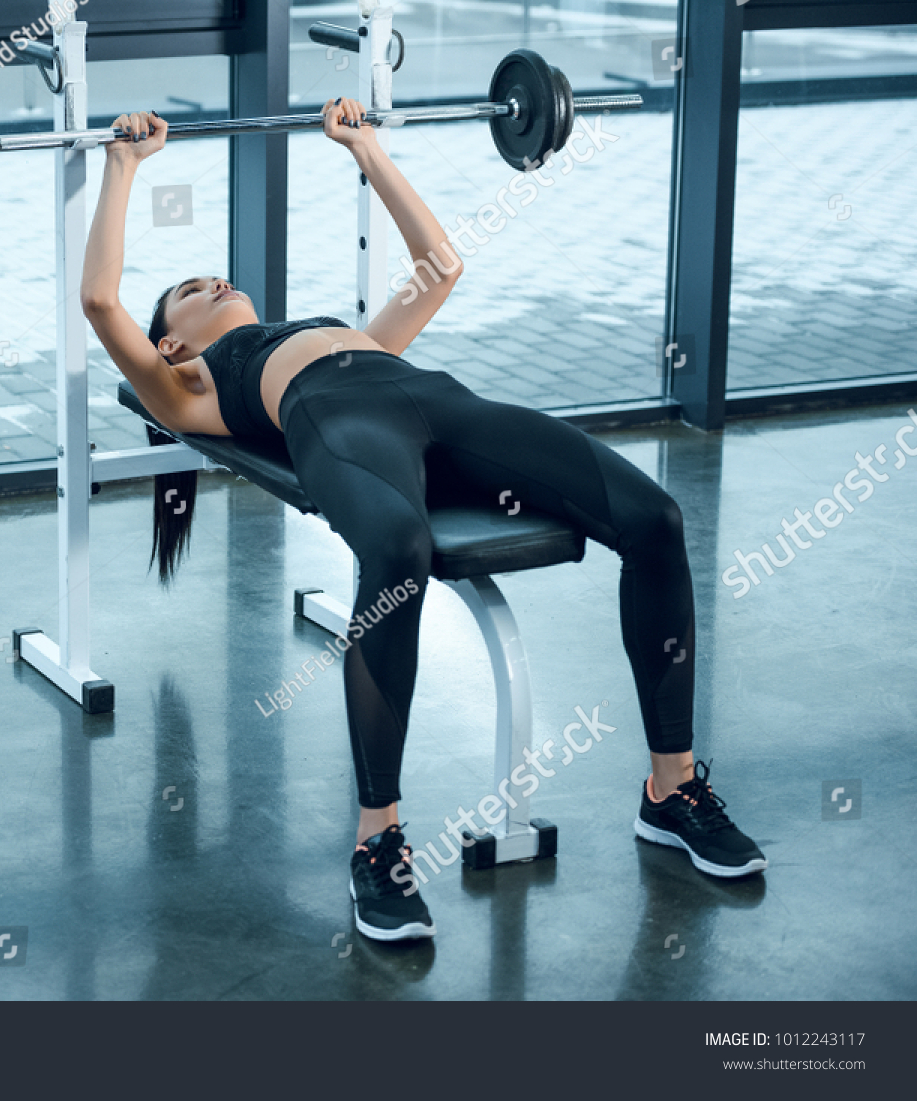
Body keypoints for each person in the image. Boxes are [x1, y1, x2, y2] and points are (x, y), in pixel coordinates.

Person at [80, 97, 766, 944]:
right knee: (397, 550)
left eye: (210, 274)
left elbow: (439, 267)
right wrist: (122, 167)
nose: (212, 280)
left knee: (655, 516)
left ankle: (672, 790)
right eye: (189, 290)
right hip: (341, 427)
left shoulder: (330, 327)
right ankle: (379, 841)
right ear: (175, 343)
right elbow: (101, 302)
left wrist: (365, 149)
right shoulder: (191, 384)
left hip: (443, 404)